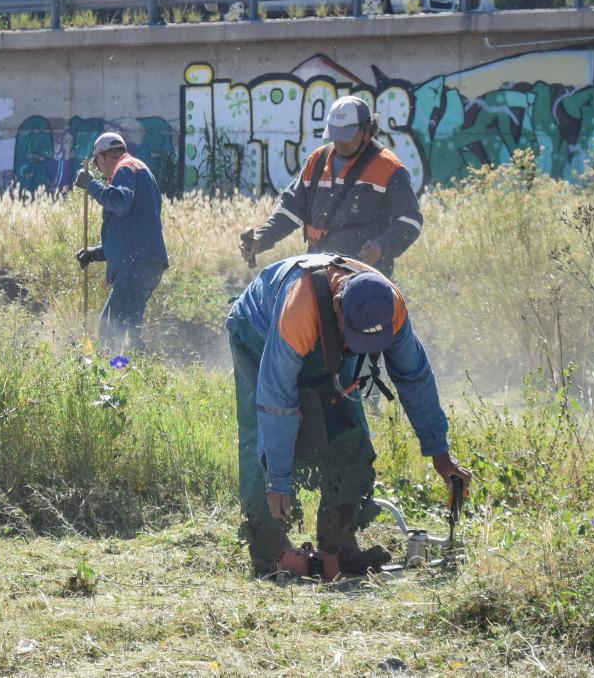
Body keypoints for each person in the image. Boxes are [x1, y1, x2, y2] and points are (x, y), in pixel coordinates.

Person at [226, 252, 472, 577]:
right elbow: (276, 401)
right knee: (265, 439)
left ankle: (338, 546)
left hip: (322, 343)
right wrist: (278, 479)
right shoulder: (299, 309)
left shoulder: (391, 307)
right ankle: (269, 552)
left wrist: (439, 452)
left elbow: (413, 376)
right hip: (258, 334)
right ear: (339, 308)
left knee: (351, 434)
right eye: (357, 339)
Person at [239, 96, 423, 277]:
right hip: (318, 271)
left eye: (346, 136)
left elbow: (410, 221)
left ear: (366, 131)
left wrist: (382, 247)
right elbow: (290, 211)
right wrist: (261, 239)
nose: (339, 142)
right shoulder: (317, 161)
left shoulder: (389, 168)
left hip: (366, 277)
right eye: (335, 135)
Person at [74, 132, 169, 353]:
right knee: (129, 330)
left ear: (104, 156)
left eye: (97, 164)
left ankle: (111, 378)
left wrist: (91, 184)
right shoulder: (140, 171)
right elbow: (131, 232)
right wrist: (95, 253)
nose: (100, 171)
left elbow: (119, 204)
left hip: (135, 264)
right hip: (146, 262)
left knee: (109, 328)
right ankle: (145, 375)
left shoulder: (125, 168)